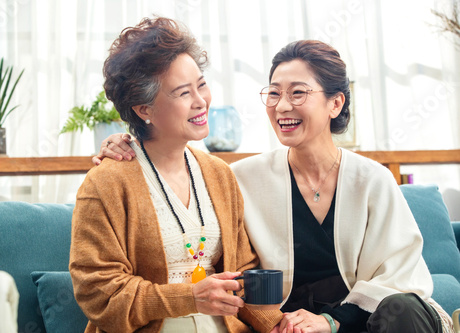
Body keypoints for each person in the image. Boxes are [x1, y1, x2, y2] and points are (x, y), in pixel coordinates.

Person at [96, 39, 454, 333]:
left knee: (401, 311)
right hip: (287, 326)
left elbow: (401, 278)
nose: (282, 106)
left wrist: (331, 322)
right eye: (273, 93)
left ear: (335, 102)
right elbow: (172, 176)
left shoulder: (371, 179)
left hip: (368, 324)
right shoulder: (238, 177)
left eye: (298, 93)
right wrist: (129, 141)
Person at [69, 17, 283, 333]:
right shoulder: (106, 183)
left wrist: (277, 325)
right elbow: (99, 294)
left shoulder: (219, 174)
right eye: (183, 93)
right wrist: (188, 297)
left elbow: (243, 270)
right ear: (144, 109)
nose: (201, 102)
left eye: (201, 84)